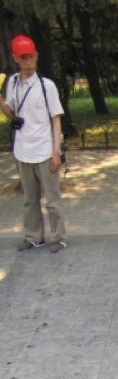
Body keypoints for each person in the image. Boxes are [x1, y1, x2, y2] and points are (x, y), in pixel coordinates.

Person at [0, 34, 66, 253]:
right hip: (23, 149)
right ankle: (33, 236)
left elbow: (56, 119)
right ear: (15, 58)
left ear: (36, 56)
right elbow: (11, 113)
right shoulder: (13, 83)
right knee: (30, 200)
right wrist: (1, 101)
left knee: (52, 200)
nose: (27, 61)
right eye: (23, 57)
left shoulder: (46, 86)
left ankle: (58, 237)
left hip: (44, 149)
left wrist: (56, 151)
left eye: (30, 57)